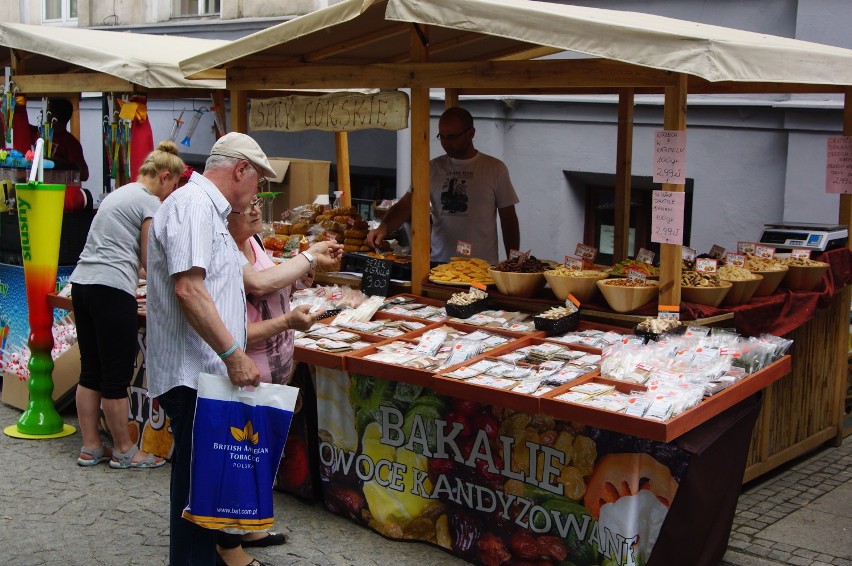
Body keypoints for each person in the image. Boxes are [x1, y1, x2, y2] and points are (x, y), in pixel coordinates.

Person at [146, 132, 341, 566]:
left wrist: (306, 260)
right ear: (240, 170)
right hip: (193, 372)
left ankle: (207, 559)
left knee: (204, 486)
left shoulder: (209, 212)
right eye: (258, 183)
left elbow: (247, 283)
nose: (258, 195)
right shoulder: (194, 207)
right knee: (196, 487)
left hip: (201, 371)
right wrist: (235, 354)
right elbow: (189, 289)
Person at [220, 195, 322, 566]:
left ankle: (250, 526)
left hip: (274, 369)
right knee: (238, 457)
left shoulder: (255, 241)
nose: (256, 209)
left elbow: (272, 288)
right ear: (225, 215)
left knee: (259, 454)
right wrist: (287, 321)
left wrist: (298, 281)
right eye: (245, 205)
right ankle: (228, 548)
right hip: (247, 370)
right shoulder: (227, 251)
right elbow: (239, 327)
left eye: (257, 201)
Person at [69, 140, 185, 469]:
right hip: (112, 288)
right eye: (174, 185)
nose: (171, 193)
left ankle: (90, 447)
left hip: (83, 284)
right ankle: (124, 449)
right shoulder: (149, 202)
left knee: (90, 371)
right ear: (164, 176)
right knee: (116, 376)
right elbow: (150, 261)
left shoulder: (121, 192)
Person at [366, 106, 520, 264]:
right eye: (443, 136)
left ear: (471, 133)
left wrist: (513, 260)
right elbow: (407, 204)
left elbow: (508, 218)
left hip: (481, 267)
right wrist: (383, 228)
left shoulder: (494, 168)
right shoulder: (432, 168)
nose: (446, 143)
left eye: (452, 137)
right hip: (439, 265)